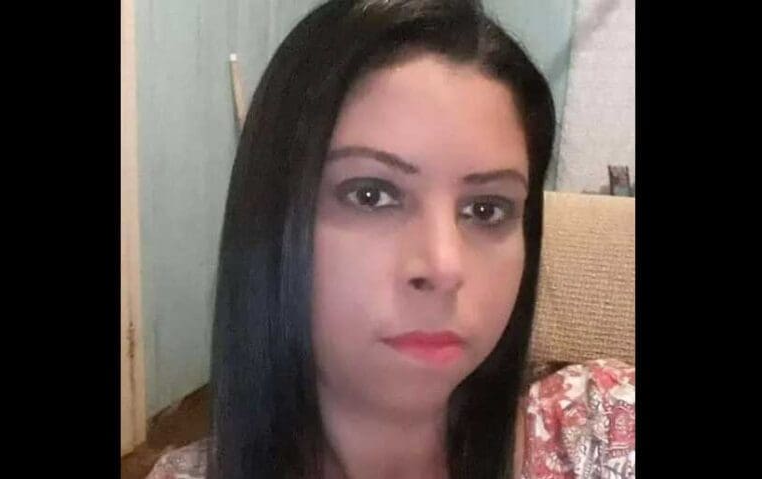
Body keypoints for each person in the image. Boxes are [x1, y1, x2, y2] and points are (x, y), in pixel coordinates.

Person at [146, 1, 635, 478]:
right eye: (371, 195)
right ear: (273, 217)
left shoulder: (603, 432)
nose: (444, 266)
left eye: (486, 209)